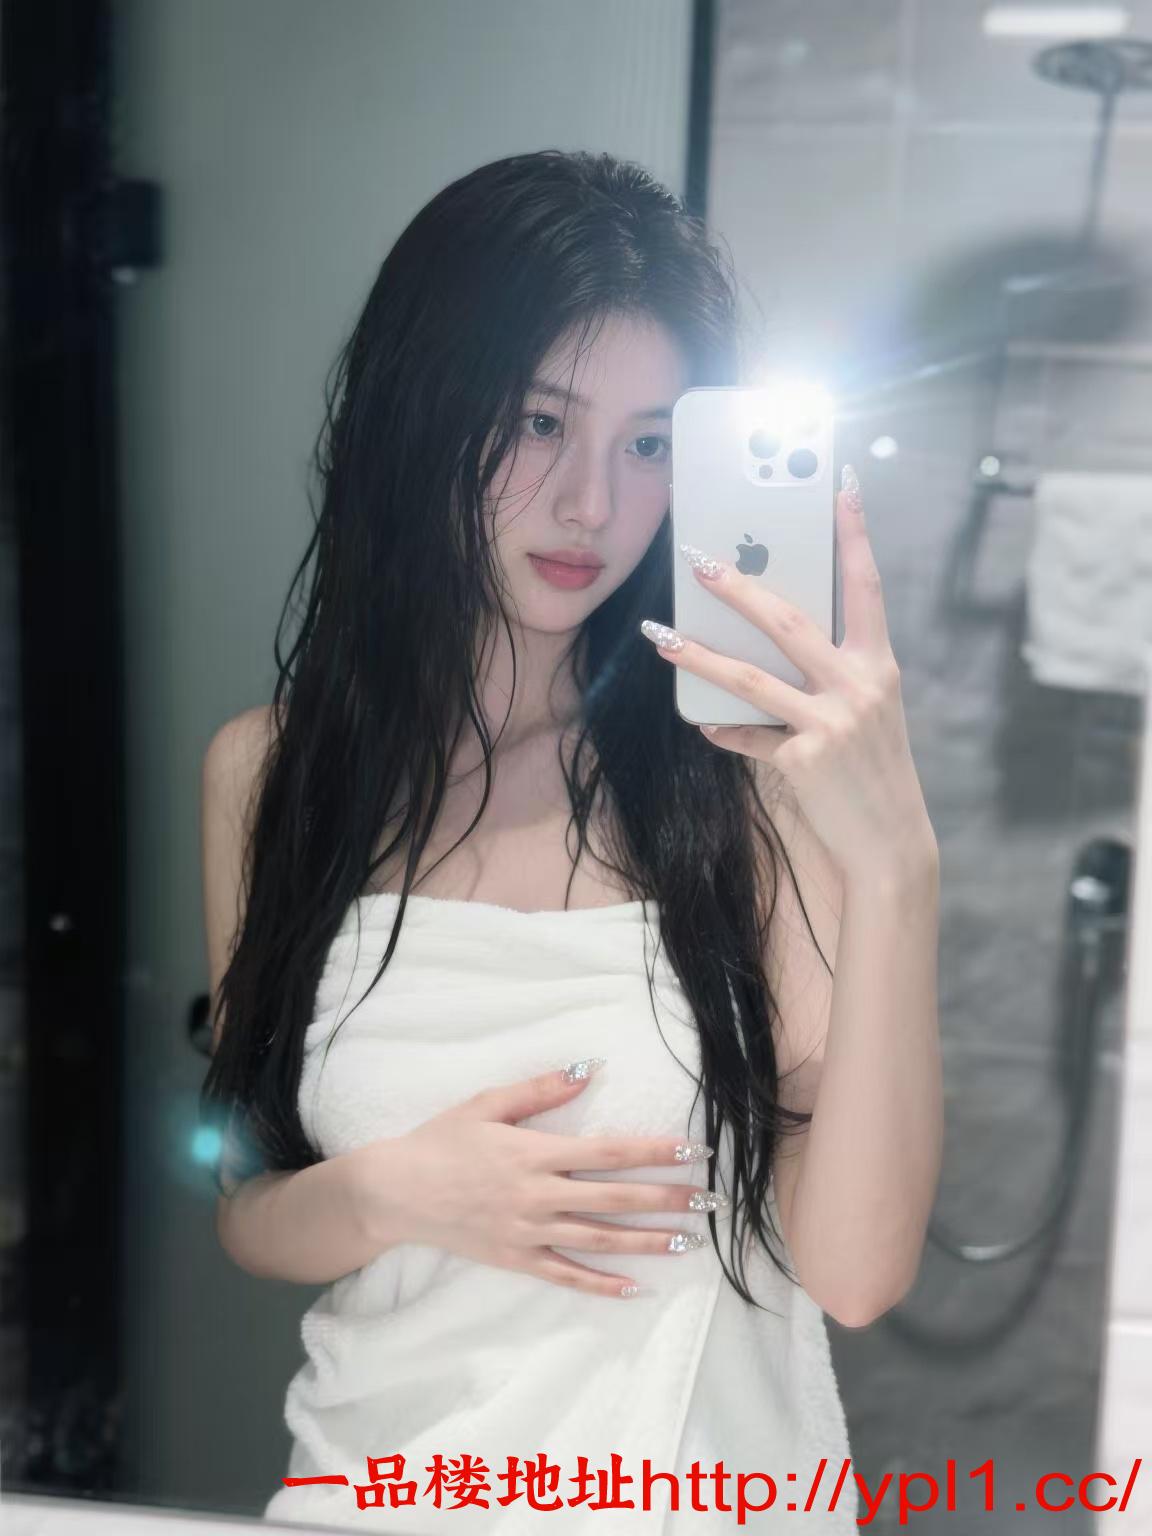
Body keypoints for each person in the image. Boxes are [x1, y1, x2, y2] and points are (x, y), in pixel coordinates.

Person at [200, 148, 942, 1534]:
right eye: (541, 420)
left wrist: (897, 869)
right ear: (424, 408)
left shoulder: (750, 783)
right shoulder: (272, 775)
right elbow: (249, 1201)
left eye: (650, 443)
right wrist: (398, 1191)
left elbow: (855, 1273)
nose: (592, 503)